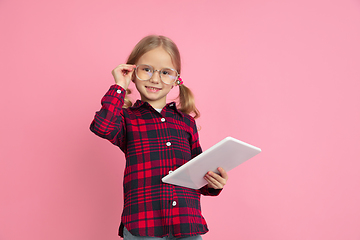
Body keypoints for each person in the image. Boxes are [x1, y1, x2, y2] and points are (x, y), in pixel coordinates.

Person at [90, 35, 228, 240]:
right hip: (144, 225)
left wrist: (213, 182)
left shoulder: (186, 123)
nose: (155, 79)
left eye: (165, 72)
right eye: (147, 69)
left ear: (176, 80)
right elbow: (102, 126)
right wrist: (120, 85)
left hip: (186, 225)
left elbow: (198, 172)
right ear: (133, 73)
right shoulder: (127, 119)